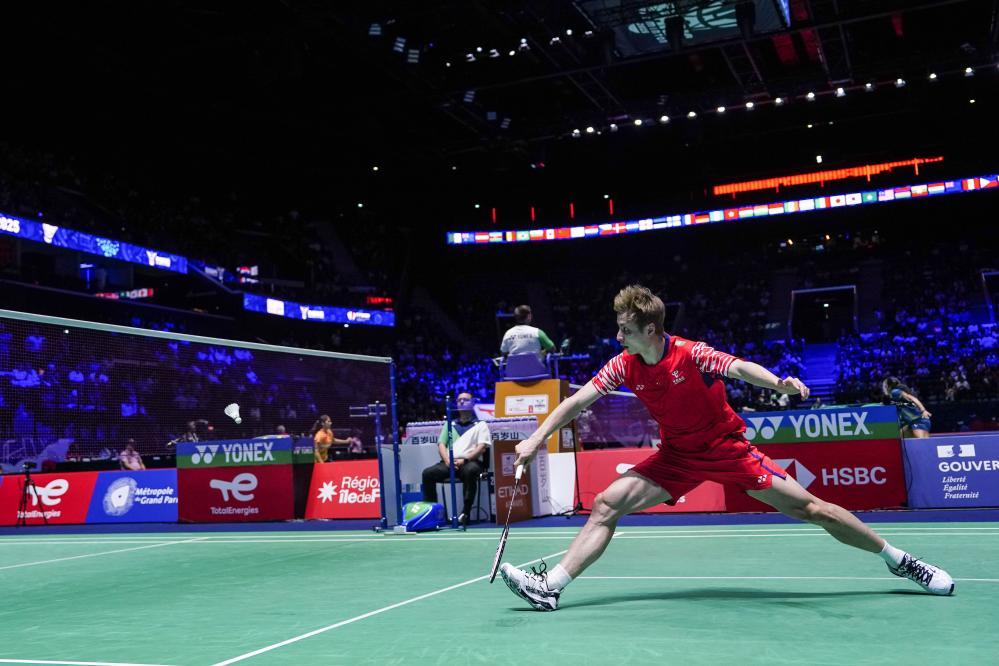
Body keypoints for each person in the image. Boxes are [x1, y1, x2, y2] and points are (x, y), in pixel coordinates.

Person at [500, 285, 954, 612]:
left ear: (651, 328)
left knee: (815, 510)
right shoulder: (624, 365)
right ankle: (551, 587)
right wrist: (537, 439)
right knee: (605, 504)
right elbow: (578, 401)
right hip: (677, 457)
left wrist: (778, 383)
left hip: (725, 450)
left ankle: (900, 561)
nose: (618, 337)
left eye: (626, 330)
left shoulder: (690, 354)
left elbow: (738, 367)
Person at [421, 392, 491, 526]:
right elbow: (441, 444)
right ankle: (432, 513)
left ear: (473, 403)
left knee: (470, 471)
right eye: (459, 400)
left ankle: (465, 513)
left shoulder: (480, 425)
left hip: (470, 462)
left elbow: (482, 447)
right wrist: (447, 461)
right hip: (450, 463)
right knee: (428, 473)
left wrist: (465, 460)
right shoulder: (450, 424)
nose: (462, 402)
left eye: (465, 400)